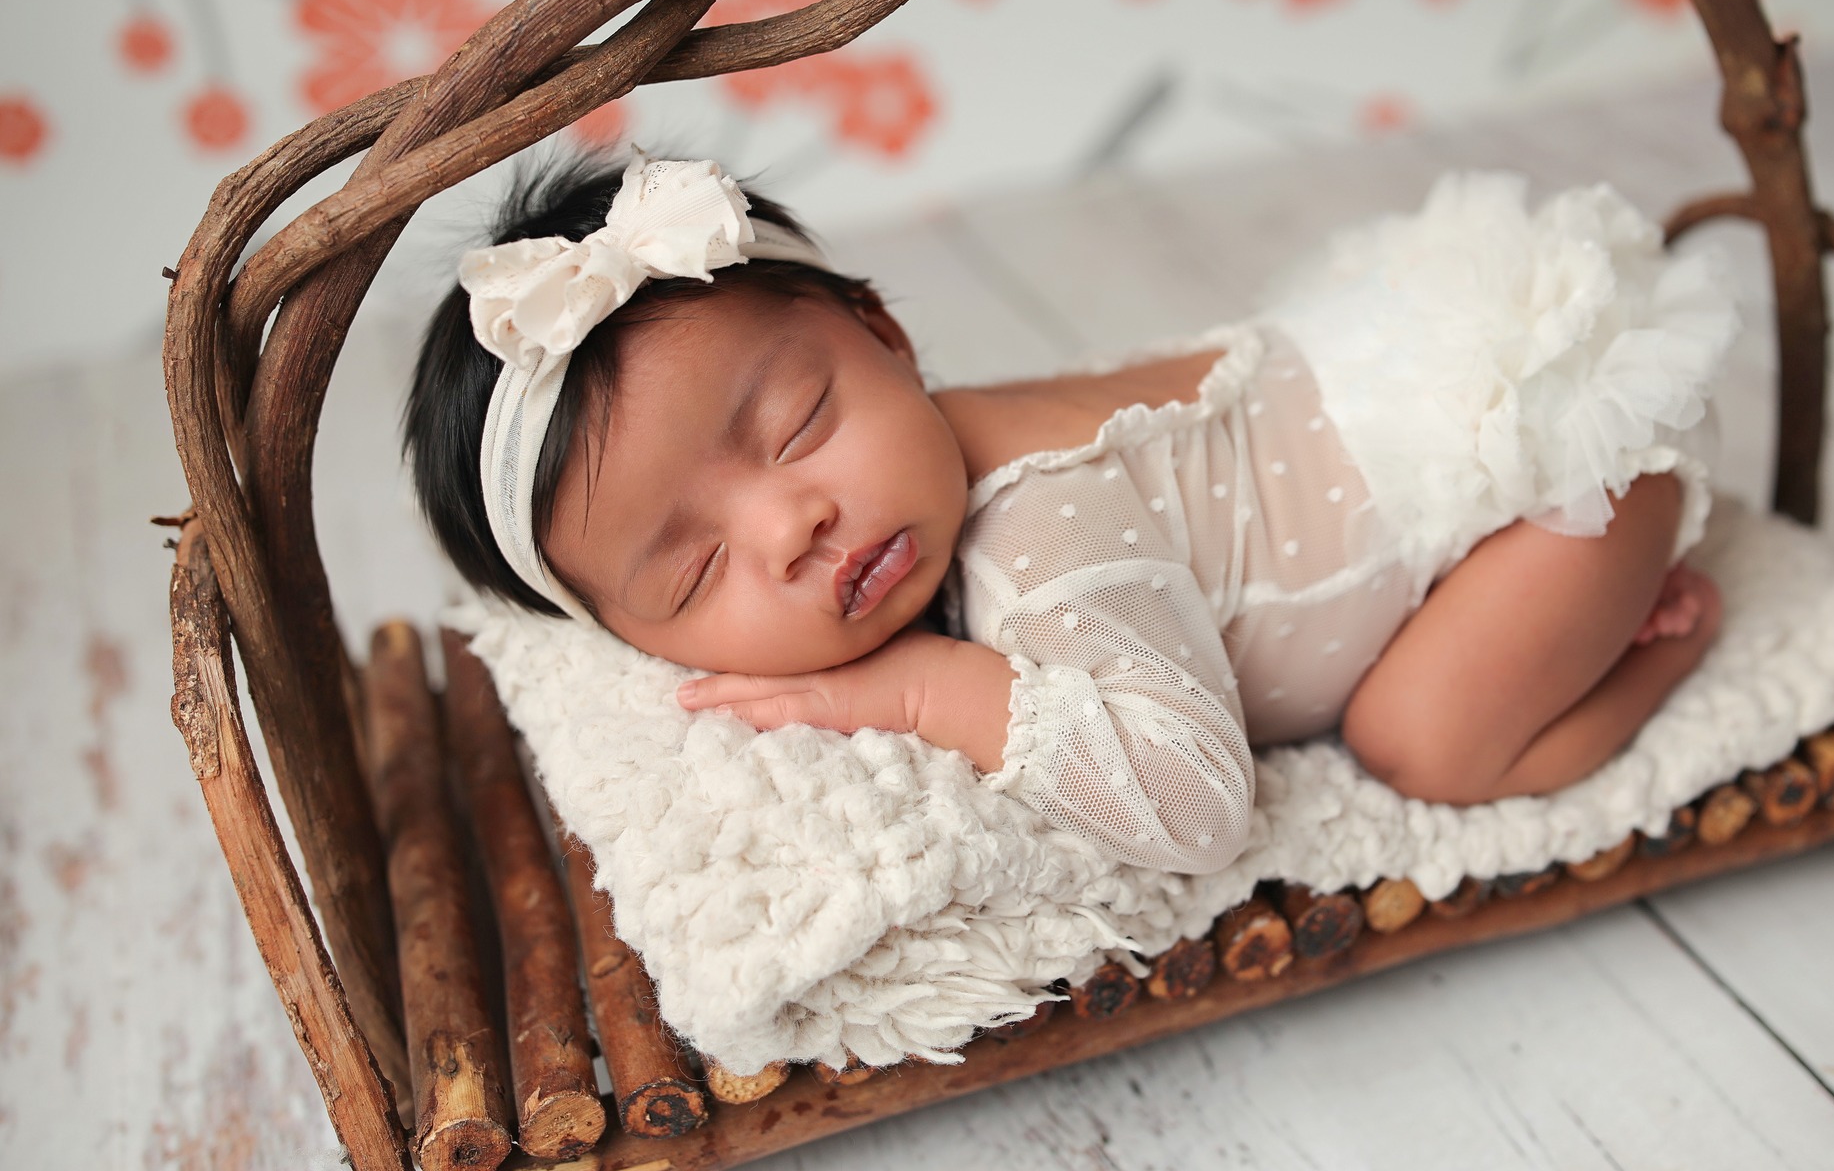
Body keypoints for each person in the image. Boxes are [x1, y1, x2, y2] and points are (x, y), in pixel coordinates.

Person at [407, 150, 1733, 877]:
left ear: (884, 332)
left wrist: (934, 692)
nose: (793, 525)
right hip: (1415, 371)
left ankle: (1665, 621)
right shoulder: (922, 444)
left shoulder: (1034, 531)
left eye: (799, 425)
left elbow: (1206, 806)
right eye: (697, 573)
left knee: (1422, 738)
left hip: (1553, 463)